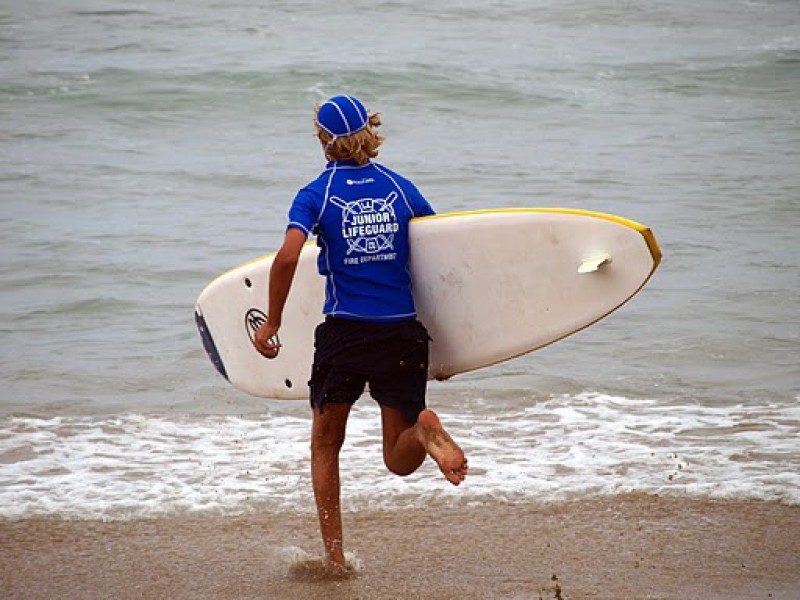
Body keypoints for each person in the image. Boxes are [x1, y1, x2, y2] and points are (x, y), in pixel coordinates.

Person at [253, 94, 468, 574]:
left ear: (323, 140)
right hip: (402, 334)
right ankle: (425, 429)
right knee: (399, 458)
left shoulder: (315, 194)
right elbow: (440, 257)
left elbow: (288, 257)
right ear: (369, 132)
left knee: (326, 445)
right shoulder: (400, 186)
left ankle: (334, 557)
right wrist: (457, 347)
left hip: (345, 335)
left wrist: (271, 321)